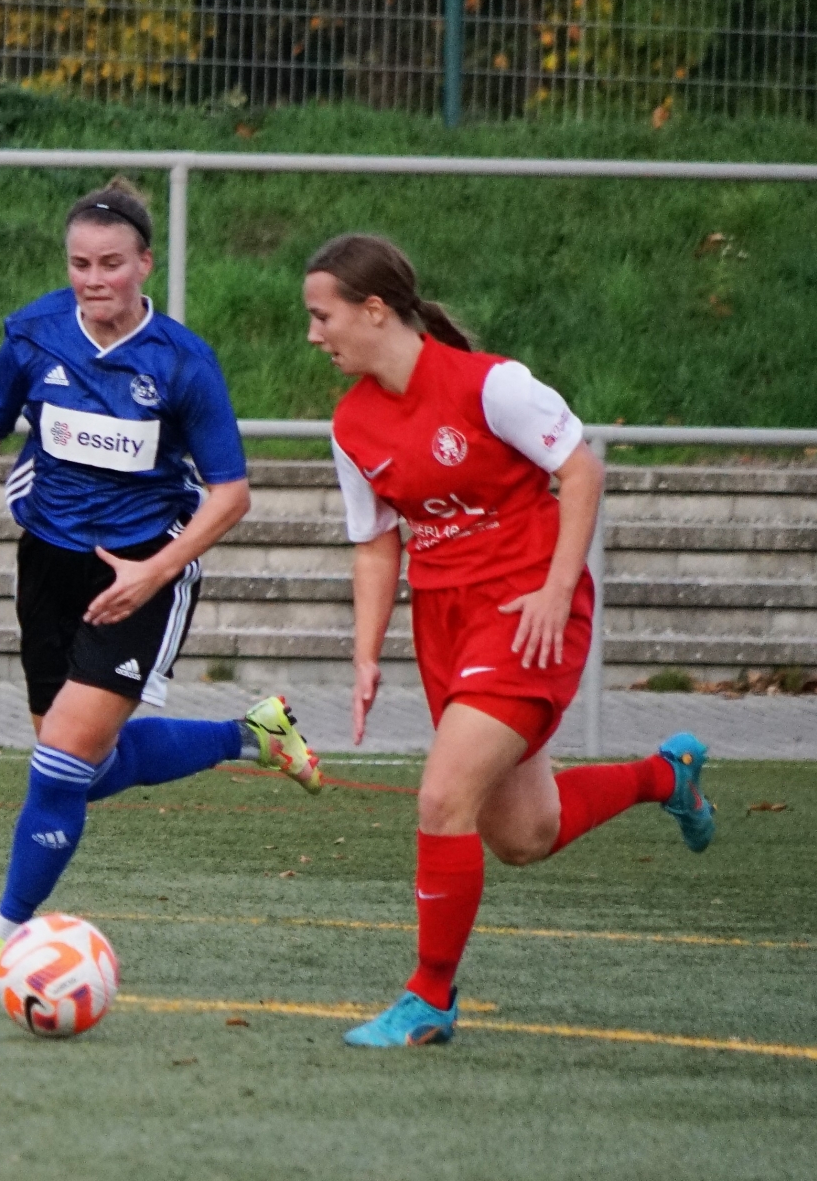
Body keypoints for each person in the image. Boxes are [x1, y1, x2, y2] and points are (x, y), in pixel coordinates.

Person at [307, 233, 715, 1048]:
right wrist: (364, 654)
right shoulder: (352, 424)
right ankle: (666, 775)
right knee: (525, 835)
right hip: (445, 624)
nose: (314, 334)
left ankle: (429, 998)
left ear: (374, 309)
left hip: (528, 612)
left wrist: (558, 592)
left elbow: (582, 473)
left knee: (441, 797)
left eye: (323, 316)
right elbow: (377, 544)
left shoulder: (492, 386)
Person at [0, 176, 325, 990]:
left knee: (61, 762)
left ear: (145, 263)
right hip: (48, 563)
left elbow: (230, 495)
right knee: (84, 766)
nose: (94, 278)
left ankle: (3, 938)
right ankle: (252, 736)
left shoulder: (182, 362)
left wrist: (154, 573)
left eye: (110, 263)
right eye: (80, 264)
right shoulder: (34, 335)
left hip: (143, 567)